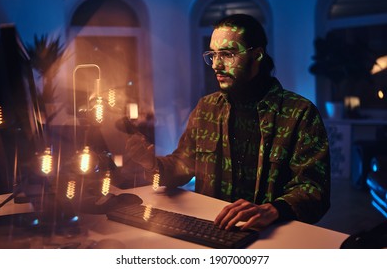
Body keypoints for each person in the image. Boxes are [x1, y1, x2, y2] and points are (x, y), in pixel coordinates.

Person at [123, 14, 330, 231]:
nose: (216, 65)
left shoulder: (299, 113)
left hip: (272, 238)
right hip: (213, 231)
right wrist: (151, 164)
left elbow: (315, 190)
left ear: (257, 55)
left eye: (228, 54)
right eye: (212, 55)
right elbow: (182, 166)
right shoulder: (207, 108)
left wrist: (274, 209)